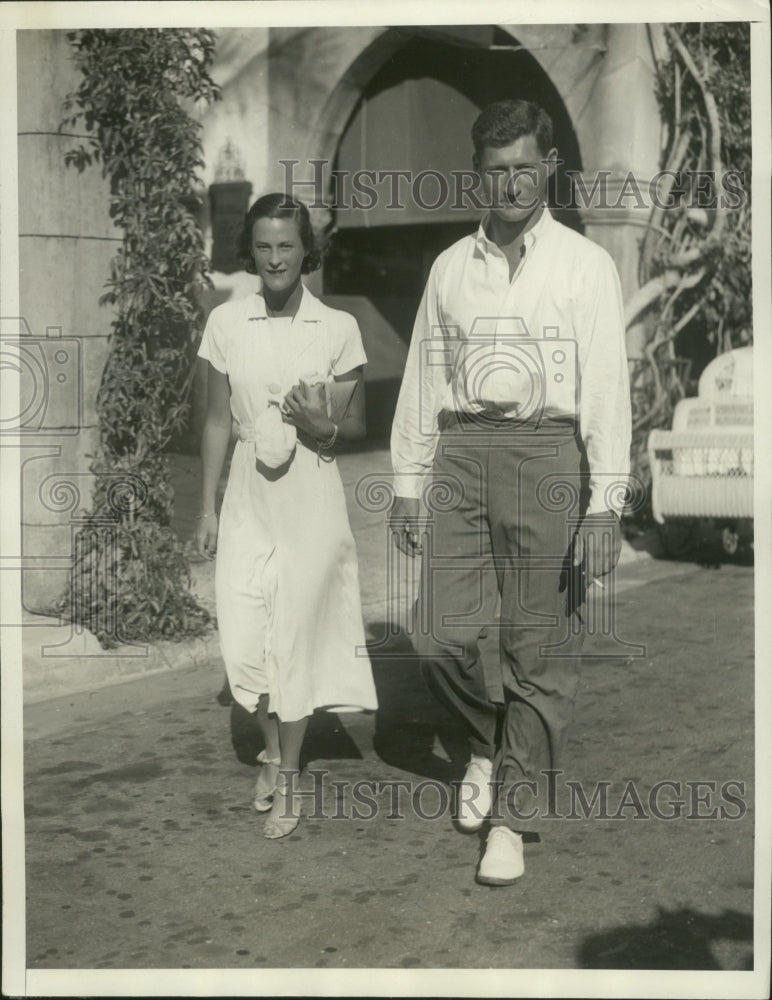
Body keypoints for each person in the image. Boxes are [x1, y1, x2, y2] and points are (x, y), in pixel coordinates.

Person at [389, 100, 631, 885]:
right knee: (436, 636)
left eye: (526, 165)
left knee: (538, 648)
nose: (512, 182)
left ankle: (512, 821)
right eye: (497, 170)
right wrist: (405, 480)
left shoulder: (585, 266)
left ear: (549, 167)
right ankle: (491, 749)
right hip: (460, 451)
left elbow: (606, 390)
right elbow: (425, 373)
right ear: (477, 176)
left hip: (546, 457)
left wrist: (605, 502)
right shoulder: (451, 268)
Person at [196, 193, 378, 839]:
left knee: (296, 632)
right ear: (253, 252)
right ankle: (272, 750)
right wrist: (207, 509)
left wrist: (316, 420)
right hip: (248, 492)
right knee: (248, 632)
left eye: (287, 246)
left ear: (307, 252)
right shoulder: (226, 322)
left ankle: (291, 775)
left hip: (310, 491)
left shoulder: (336, 328)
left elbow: (352, 426)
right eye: (265, 246)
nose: (275, 259)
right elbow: (218, 420)